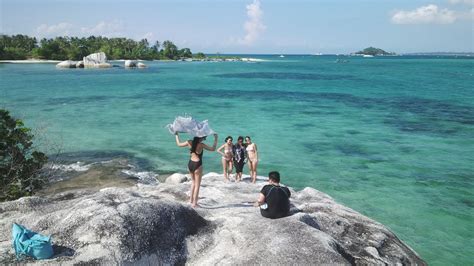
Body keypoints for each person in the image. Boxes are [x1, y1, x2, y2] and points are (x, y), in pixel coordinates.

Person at [175, 132, 218, 208]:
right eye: (203, 138)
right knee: (197, 185)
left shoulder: (189, 142)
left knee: (193, 183)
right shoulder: (201, 145)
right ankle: (195, 203)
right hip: (198, 164)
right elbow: (213, 149)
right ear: (200, 138)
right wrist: (216, 138)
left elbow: (178, 144)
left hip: (190, 164)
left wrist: (176, 135)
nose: (204, 139)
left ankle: (191, 200)